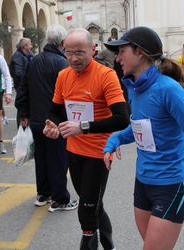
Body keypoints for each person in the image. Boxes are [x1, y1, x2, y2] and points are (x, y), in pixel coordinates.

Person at [103, 26, 184, 250]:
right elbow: (140, 128)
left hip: (169, 187)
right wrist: (114, 140)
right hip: (142, 184)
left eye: (122, 51)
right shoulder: (134, 88)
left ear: (139, 52)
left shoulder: (168, 89)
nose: (118, 57)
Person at [43, 28, 129, 249]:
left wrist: (83, 127)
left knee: (87, 212)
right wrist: (51, 124)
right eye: (68, 52)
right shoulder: (64, 75)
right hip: (73, 151)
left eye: (79, 52)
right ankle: (110, 246)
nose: (73, 58)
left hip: (98, 153)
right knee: (95, 206)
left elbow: (122, 118)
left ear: (93, 49)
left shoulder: (106, 75)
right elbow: (55, 110)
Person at [15, 24, 78, 212]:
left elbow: (23, 88)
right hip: (56, 121)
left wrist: (23, 113)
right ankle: (60, 199)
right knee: (58, 159)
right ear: (62, 42)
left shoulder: (33, 61)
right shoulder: (62, 63)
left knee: (41, 158)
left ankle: (43, 194)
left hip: (36, 120)